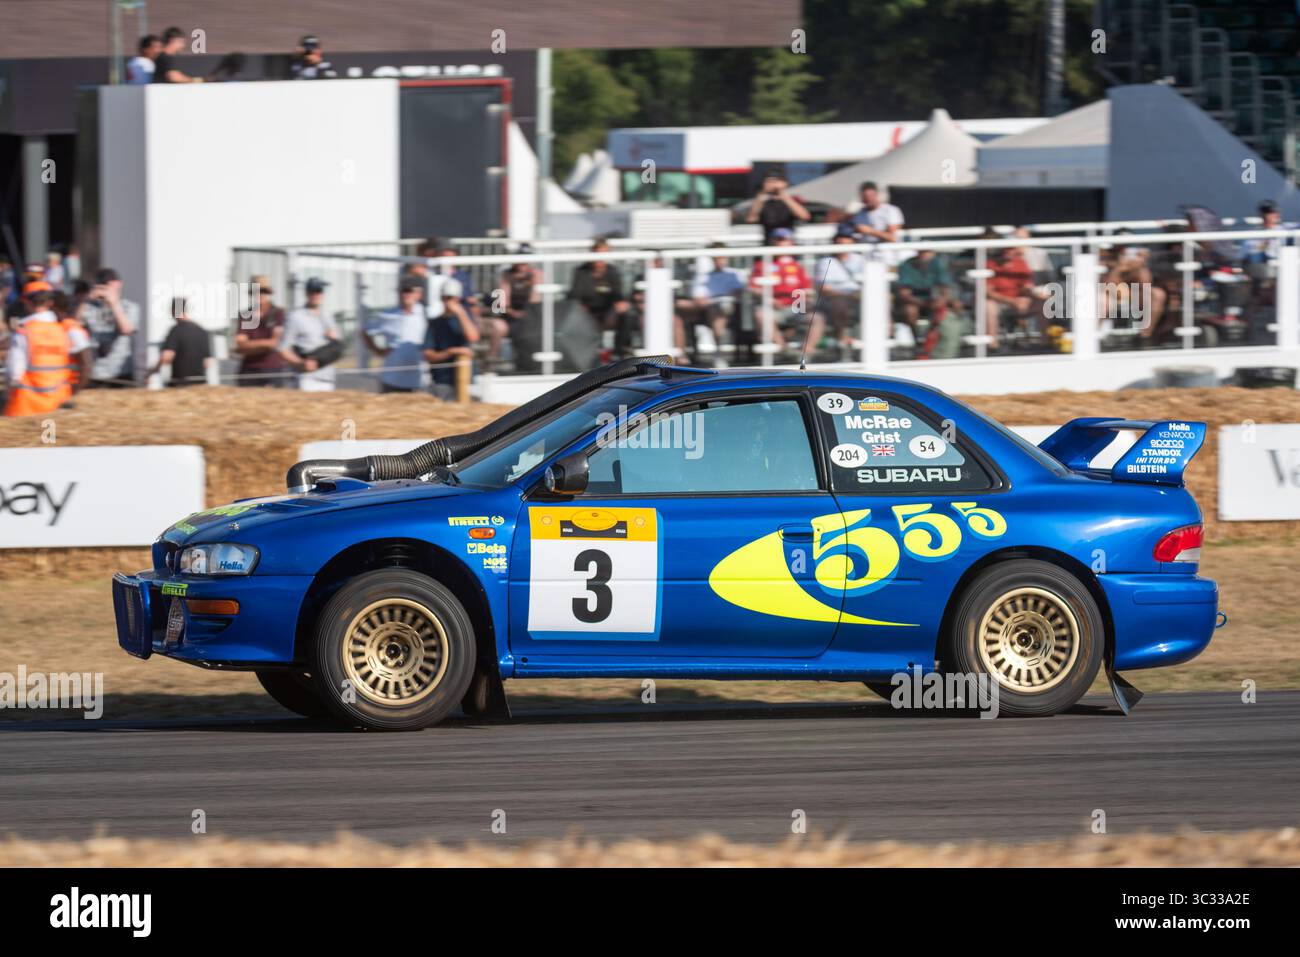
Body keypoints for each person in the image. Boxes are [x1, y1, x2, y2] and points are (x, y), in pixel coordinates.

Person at [4, 283, 92, 416]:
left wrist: (6, 396)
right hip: (56, 406)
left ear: (26, 301)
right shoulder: (63, 330)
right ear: (50, 302)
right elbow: (83, 364)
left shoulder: (23, 331)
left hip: (27, 408)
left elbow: (14, 375)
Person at [748, 228, 814, 354]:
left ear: (791, 243)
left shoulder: (797, 266)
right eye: (778, 240)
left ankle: (806, 354)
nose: (781, 243)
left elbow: (807, 291)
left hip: (795, 308)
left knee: (817, 317)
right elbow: (753, 288)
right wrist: (769, 300)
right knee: (762, 315)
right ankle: (784, 350)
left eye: (784, 240)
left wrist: (800, 304)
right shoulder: (762, 264)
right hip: (771, 308)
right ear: (772, 242)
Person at [687, 242, 749, 364]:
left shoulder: (735, 274)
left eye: (722, 256)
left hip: (734, 310)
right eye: (717, 257)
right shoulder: (703, 276)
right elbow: (699, 299)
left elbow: (740, 294)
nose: (720, 260)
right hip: (710, 310)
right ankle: (719, 353)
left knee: (722, 309)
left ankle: (718, 352)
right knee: (718, 311)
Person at [568, 239, 631, 358]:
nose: (600, 259)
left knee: (623, 310)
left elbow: (619, 296)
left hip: (608, 314)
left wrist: (617, 306)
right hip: (586, 313)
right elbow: (575, 297)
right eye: (597, 254)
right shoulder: (581, 272)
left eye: (603, 254)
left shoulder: (613, 272)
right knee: (581, 314)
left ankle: (621, 351)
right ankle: (593, 354)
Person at [78, 267, 140, 387]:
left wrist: (113, 303)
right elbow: (74, 325)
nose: (105, 288)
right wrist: (86, 299)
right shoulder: (88, 306)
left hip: (121, 372)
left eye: (108, 284)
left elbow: (126, 329)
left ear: (119, 285)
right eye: (101, 284)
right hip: (95, 373)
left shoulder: (129, 306)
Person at [366, 277, 429, 393]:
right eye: (403, 290)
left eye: (410, 290)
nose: (406, 294)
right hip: (392, 379)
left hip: (419, 380)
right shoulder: (387, 315)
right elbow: (365, 331)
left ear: (419, 294)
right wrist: (377, 350)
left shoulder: (427, 314)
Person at [423, 278, 479, 400]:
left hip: (467, 379)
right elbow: (428, 355)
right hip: (443, 381)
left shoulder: (467, 319)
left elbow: (473, 337)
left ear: (458, 299)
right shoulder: (435, 323)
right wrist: (452, 351)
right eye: (446, 298)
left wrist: (460, 313)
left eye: (451, 298)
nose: (448, 302)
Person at [279, 278, 339, 391]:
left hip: (328, 379)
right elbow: (282, 349)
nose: (316, 294)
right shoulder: (295, 317)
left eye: (319, 291)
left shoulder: (328, 317)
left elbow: (336, 347)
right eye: (313, 291)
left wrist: (334, 340)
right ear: (307, 293)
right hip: (307, 379)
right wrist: (301, 364)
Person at [814, 227, 867, 352]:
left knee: (879, 299)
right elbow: (825, 289)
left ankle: (880, 338)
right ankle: (841, 339)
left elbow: (869, 284)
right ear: (835, 241)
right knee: (839, 304)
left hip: (859, 297)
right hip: (835, 299)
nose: (844, 241)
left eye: (847, 238)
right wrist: (848, 295)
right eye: (841, 238)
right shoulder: (825, 262)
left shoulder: (860, 259)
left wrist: (859, 294)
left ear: (853, 241)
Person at [232, 276, 286, 386]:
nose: (260, 294)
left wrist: (249, 346)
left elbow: (275, 343)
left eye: (263, 291)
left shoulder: (278, 313)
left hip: (272, 369)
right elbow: (240, 344)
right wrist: (265, 344)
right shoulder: (245, 315)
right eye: (257, 291)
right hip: (249, 370)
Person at [493, 247, 542, 365]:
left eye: (525, 261)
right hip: (510, 316)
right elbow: (502, 303)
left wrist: (534, 281)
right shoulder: (506, 275)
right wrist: (512, 312)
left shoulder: (536, 275)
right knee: (500, 328)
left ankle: (528, 362)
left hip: (532, 316)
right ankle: (493, 362)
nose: (522, 264)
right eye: (519, 260)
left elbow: (535, 301)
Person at [149, 297, 210, 386]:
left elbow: (167, 356)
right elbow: (207, 363)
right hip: (200, 384)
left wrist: (154, 370)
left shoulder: (175, 331)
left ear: (174, 310)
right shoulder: (202, 331)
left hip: (181, 385)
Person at [745, 171, 811, 245]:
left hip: (789, 244)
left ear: (785, 183)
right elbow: (751, 219)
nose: (773, 184)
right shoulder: (761, 202)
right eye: (769, 181)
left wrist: (782, 195)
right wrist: (762, 193)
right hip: (769, 244)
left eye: (776, 181)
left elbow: (804, 216)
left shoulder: (793, 200)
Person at [849, 181, 903, 246]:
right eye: (865, 197)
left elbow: (891, 237)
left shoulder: (891, 210)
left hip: (888, 252)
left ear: (877, 195)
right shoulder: (859, 212)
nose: (868, 199)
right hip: (867, 252)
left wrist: (869, 231)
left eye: (871, 196)